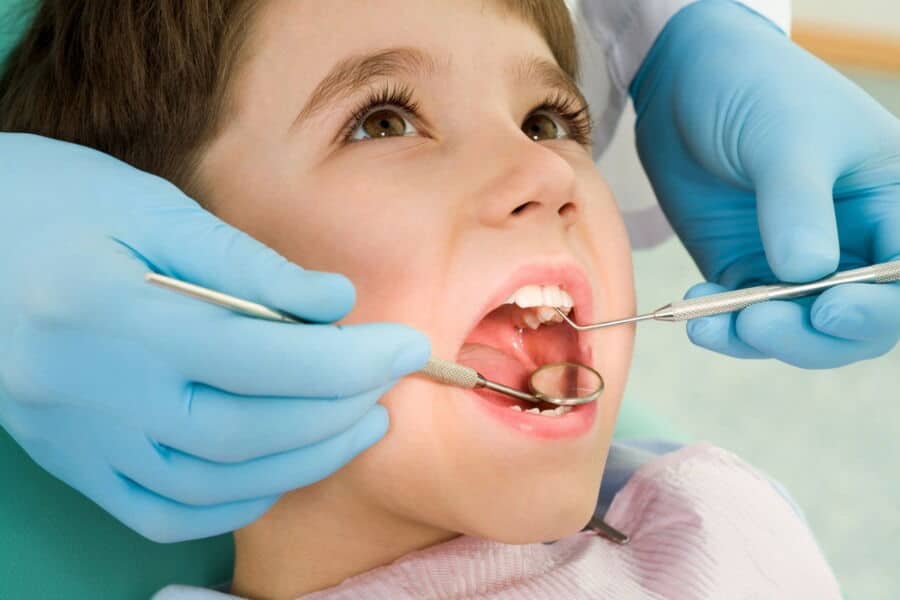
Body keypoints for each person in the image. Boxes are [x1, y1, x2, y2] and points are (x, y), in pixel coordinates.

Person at [1, 1, 844, 597]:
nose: (546, 172)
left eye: (549, 119)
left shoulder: (714, 523)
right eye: (385, 121)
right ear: (173, 261)